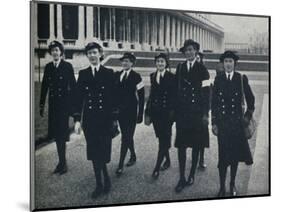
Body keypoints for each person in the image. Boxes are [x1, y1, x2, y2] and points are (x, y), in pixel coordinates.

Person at [73, 42, 118, 199]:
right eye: (89, 53)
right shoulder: (83, 74)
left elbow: (114, 98)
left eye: (94, 52)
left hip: (105, 121)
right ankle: (100, 183)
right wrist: (77, 120)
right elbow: (77, 98)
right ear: (87, 56)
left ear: (100, 53)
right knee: (93, 153)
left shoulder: (109, 72)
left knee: (103, 153)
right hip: (90, 121)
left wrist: (114, 119)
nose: (92, 55)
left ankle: (105, 177)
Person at [211, 50, 255, 197]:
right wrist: (214, 122)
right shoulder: (218, 80)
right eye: (226, 62)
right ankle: (222, 186)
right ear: (222, 64)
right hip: (223, 125)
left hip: (237, 125)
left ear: (234, 64)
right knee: (223, 158)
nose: (228, 64)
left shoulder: (241, 79)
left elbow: (251, 101)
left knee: (234, 157)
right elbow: (214, 103)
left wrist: (247, 117)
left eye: (230, 61)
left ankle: (232, 184)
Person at [174, 39, 211, 193]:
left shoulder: (203, 70)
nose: (188, 52)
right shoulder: (180, 68)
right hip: (182, 113)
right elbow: (176, 90)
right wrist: (174, 111)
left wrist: (205, 114)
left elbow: (207, 94)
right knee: (181, 146)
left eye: (191, 50)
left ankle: (191, 175)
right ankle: (182, 177)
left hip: (196, 114)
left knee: (196, 145)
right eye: (186, 50)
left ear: (196, 51)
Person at [39, 40, 76, 175]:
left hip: (64, 105)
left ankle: (63, 163)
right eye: (53, 50)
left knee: (61, 134)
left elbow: (73, 86)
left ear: (61, 52)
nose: (55, 52)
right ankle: (61, 162)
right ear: (51, 53)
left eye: (57, 50)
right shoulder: (48, 67)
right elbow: (44, 87)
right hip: (53, 105)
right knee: (56, 134)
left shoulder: (67, 66)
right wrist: (42, 105)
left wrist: (74, 106)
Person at [145, 53, 176, 179]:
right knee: (161, 138)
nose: (160, 64)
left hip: (167, 114)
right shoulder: (152, 76)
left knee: (164, 140)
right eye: (158, 61)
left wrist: (173, 113)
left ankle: (157, 167)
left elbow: (174, 96)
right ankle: (167, 160)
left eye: (162, 61)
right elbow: (152, 95)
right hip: (156, 113)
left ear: (166, 63)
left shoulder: (171, 77)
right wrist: (148, 111)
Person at [115, 52, 145, 177]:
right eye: (123, 61)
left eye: (127, 61)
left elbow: (142, 97)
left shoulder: (137, 76)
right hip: (120, 113)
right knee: (127, 136)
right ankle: (133, 155)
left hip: (132, 112)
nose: (124, 63)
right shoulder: (118, 75)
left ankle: (120, 164)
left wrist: (140, 114)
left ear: (132, 63)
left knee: (125, 138)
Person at [195, 51, 210, 169]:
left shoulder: (205, 72)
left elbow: (208, 93)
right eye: (196, 58)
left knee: (202, 135)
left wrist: (206, 112)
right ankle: (196, 157)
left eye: (199, 58)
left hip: (202, 109)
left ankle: (201, 158)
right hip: (192, 110)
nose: (197, 59)